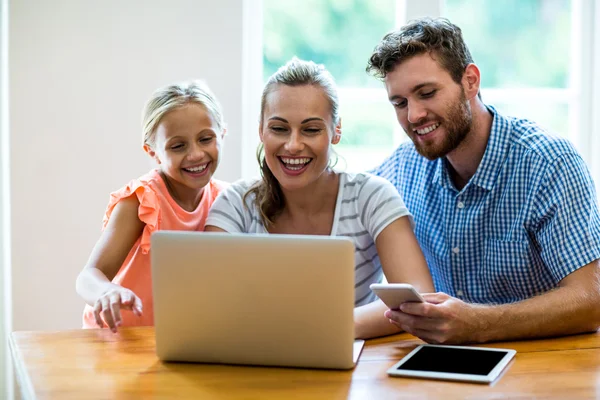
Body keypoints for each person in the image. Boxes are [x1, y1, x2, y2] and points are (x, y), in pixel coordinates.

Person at [367, 17, 600, 344]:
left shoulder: (548, 163)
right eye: (400, 102)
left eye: (427, 93)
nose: (414, 115)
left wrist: (479, 323)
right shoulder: (400, 169)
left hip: (543, 369)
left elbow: (591, 301)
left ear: (470, 81)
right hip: (443, 370)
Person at [205, 57, 434, 339]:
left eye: (311, 129)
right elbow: (208, 304)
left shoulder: (371, 196)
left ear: (335, 131)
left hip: (348, 367)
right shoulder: (235, 204)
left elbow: (418, 298)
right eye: (279, 128)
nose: (293, 145)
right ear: (261, 130)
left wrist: (322, 329)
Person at [76, 80, 228, 332]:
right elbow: (88, 276)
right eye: (178, 146)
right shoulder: (142, 200)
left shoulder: (225, 199)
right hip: (115, 338)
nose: (196, 154)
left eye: (205, 139)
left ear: (222, 135)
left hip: (169, 339)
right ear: (153, 152)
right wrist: (106, 291)